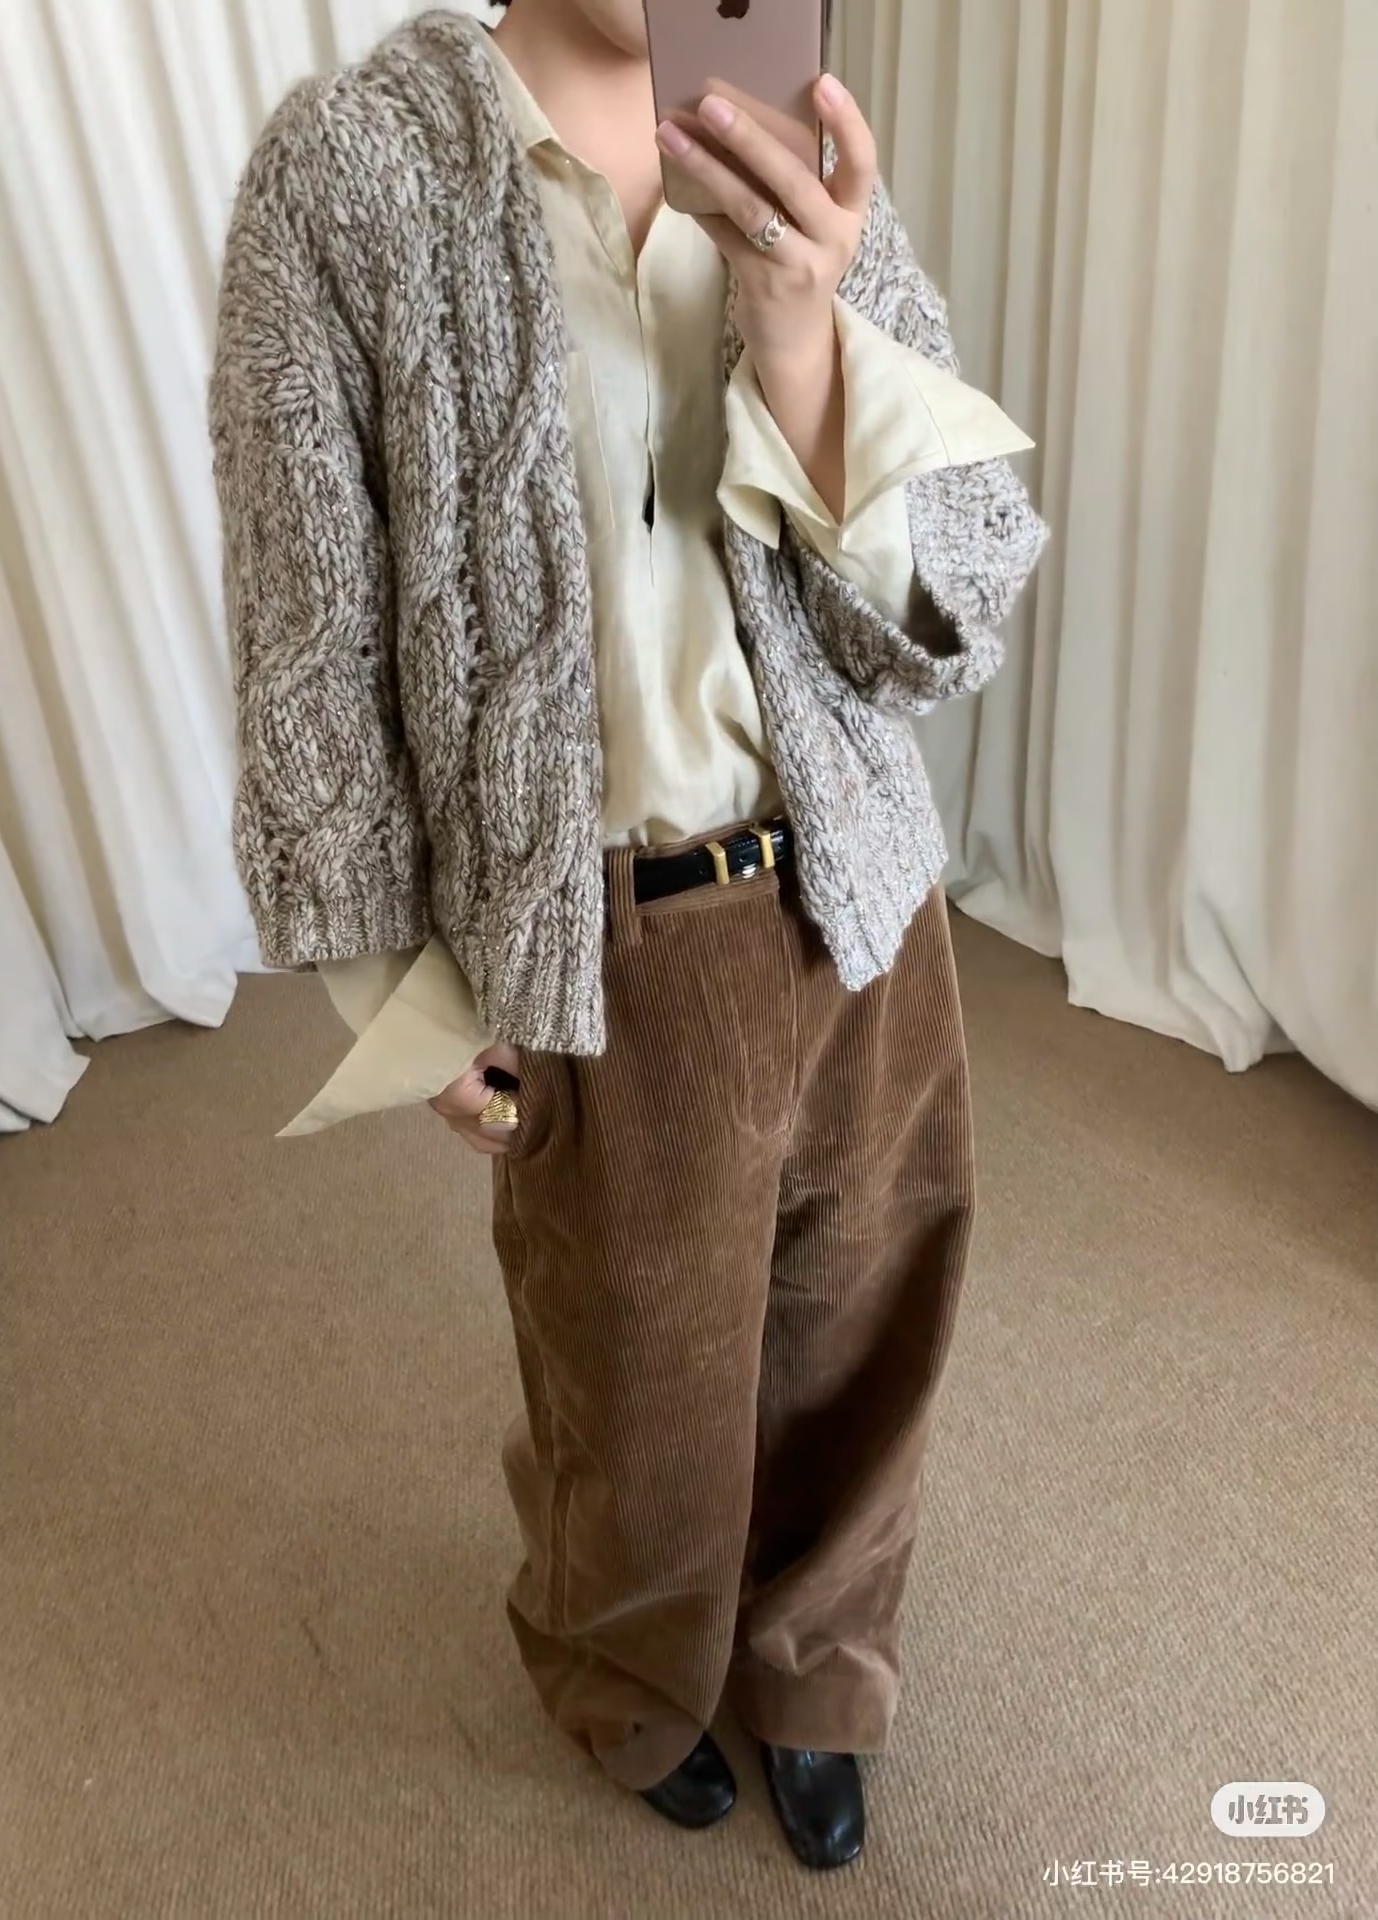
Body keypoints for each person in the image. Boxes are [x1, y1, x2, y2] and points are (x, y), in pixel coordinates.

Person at [211, 0, 1045, 1874]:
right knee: (635, 1381)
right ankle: (630, 1678)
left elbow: (960, 592)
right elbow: (309, 646)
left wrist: (809, 341)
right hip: (609, 938)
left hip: (859, 893)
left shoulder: (790, 148)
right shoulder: (350, 176)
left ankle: (816, 1669)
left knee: (866, 1325)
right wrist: (403, 990)